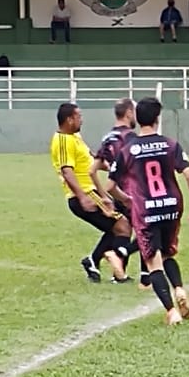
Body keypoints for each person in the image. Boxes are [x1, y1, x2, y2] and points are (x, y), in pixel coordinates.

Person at [112, 96, 189, 326]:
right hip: (172, 206)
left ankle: (172, 311)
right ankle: (180, 288)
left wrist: (127, 199)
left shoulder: (128, 150)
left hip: (147, 210)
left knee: (153, 261)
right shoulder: (170, 144)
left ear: (138, 119)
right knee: (169, 253)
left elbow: (110, 186)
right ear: (157, 119)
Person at [52, 101, 132, 285]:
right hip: (86, 194)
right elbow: (67, 171)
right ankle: (118, 274)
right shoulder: (63, 140)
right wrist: (82, 197)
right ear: (69, 119)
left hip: (93, 191)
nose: (82, 120)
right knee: (123, 226)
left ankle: (93, 261)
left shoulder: (75, 137)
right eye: (79, 116)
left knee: (116, 228)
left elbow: (92, 160)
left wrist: (114, 168)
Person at [91, 97, 146, 288]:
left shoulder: (107, 138)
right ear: (129, 113)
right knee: (146, 231)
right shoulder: (130, 138)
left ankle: (118, 274)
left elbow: (92, 170)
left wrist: (104, 196)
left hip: (116, 192)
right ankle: (145, 277)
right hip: (133, 193)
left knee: (125, 230)